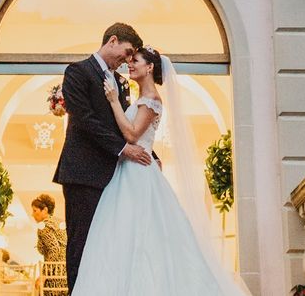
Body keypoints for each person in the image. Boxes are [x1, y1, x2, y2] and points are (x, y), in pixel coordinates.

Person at [71, 46, 252, 296]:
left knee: (142, 234)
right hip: (129, 171)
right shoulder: (140, 100)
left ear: (150, 67)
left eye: (135, 61)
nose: (129, 65)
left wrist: (113, 102)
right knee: (122, 237)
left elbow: (132, 134)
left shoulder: (152, 100)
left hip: (138, 174)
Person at [53, 22, 151, 294]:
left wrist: (149, 153)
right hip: (83, 175)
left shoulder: (119, 82)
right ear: (113, 40)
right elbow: (85, 120)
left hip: (113, 178)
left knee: (106, 247)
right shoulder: (77, 72)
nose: (128, 59)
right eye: (128, 51)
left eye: (133, 56)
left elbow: (128, 123)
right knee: (81, 245)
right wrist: (123, 150)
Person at [31, 194, 67, 292]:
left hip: (55, 276)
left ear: (45, 210)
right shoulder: (58, 222)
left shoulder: (44, 226)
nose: (32, 214)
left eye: (35, 211)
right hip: (65, 273)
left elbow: (54, 249)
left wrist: (43, 276)